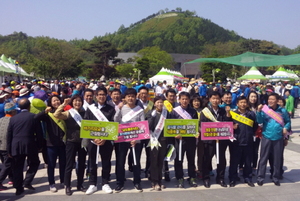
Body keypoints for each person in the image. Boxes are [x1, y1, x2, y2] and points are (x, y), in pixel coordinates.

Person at [7, 98, 44, 195]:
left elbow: (9, 135)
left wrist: (9, 150)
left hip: (16, 145)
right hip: (30, 144)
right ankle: (27, 181)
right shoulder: (34, 117)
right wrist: (40, 145)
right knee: (35, 162)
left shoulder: (13, 118)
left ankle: (18, 188)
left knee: (18, 167)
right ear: (29, 106)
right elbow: (39, 133)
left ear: (18, 107)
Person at [84, 87, 116, 195]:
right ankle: (92, 183)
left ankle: (105, 183)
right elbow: (86, 124)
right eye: (99, 94)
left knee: (106, 162)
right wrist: (94, 138)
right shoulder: (90, 108)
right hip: (93, 141)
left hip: (106, 141)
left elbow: (113, 125)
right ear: (96, 96)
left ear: (106, 95)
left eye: (103, 94)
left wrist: (104, 138)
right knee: (92, 162)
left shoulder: (111, 109)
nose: (101, 96)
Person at [54, 95, 87, 196]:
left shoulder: (85, 113)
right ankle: (67, 185)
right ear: (72, 102)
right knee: (69, 165)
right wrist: (64, 104)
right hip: (71, 141)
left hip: (82, 142)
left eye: (79, 101)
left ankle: (80, 184)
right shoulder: (69, 113)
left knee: (81, 164)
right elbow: (56, 114)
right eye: (76, 101)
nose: (78, 103)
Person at [256, 93, 291, 186]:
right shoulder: (264, 110)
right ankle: (260, 177)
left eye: (272, 99)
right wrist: (259, 112)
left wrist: (286, 128)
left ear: (277, 100)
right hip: (266, 136)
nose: (270, 101)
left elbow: (288, 122)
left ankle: (275, 177)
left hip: (278, 138)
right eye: (269, 99)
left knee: (277, 159)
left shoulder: (283, 111)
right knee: (263, 158)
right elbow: (259, 121)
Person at [114, 88, 144, 193]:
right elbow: (115, 121)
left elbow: (142, 126)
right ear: (125, 98)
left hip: (135, 141)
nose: (130, 98)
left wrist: (137, 139)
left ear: (136, 97)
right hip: (122, 139)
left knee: (136, 162)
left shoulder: (140, 109)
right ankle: (120, 182)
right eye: (128, 96)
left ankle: (137, 181)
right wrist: (118, 109)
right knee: (120, 161)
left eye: (132, 96)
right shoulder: (121, 108)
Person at [200, 91, 232, 188]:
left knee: (221, 160)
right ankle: (206, 178)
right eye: (213, 98)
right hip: (209, 141)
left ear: (220, 99)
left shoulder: (223, 111)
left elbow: (227, 124)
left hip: (221, 140)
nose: (215, 100)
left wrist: (228, 113)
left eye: (217, 98)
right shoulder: (204, 111)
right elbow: (201, 125)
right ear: (209, 99)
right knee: (207, 159)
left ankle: (220, 178)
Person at [34, 95, 66, 193]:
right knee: (51, 165)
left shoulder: (64, 113)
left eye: (57, 100)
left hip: (63, 143)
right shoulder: (48, 114)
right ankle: (51, 183)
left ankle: (63, 181)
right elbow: (36, 118)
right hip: (51, 144)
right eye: (54, 101)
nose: (56, 102)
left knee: (63, 164)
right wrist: (45, 111)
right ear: (50, 103)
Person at [171, 92, 198, 188]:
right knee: (179, 159)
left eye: (186, 99)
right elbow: (171, 126)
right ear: (179, 100)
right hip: (179, 140)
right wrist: (175, 134)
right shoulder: (174, 111)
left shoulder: (193, 111)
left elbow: (196, 125)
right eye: (182, 99)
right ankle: (179, 178)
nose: (184, 101)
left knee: (191, 159)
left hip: (190, 139)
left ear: (189, 100)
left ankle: (192, 177)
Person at [228, 96, 257, 187]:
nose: (243, 104)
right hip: (236, 141)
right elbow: (227, 125)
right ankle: (233, 178)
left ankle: (247, 177)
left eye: (244, 102)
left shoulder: (251, 114)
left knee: (248, 161)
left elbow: (255, 126)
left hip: (248, 141)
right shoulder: (233, 114)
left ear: (247, 103)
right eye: (241, 102)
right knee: (234, 161)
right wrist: (232, 127)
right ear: (237, 104)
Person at [146, 96, 168, 191]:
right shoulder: (150, 113)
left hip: (163, 139)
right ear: (154, 103)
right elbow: (147, 126)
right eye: (158, 102)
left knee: (160, 161)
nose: (160, 104)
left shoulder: (166, 113)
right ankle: (154, 181)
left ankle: (159, 180)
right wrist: (152, 117)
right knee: (154, 161)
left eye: (161, 102)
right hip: (153, 140)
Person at [136, 86, 153, 178]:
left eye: (145, 93)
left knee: (149, 153)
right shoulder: (135, 103)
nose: (143, 95)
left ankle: (148, 171)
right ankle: (137, 171)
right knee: (137, 153)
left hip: (148, 132)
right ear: (139, 94)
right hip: (138, 133)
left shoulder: (151, 104)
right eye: (141, 93)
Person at [0, 102, 17, 190]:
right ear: (13, 112)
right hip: (7, 147)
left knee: (5, 164)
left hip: (0, 146)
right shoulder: (13, 121)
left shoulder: (1, 119)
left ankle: (11, 179)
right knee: (7, 165)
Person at [190, 96, 204, 179]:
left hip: (201, 135)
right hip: (191, 135)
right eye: (194, 101)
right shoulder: (189, 111)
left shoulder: (204, 111)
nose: (196, 103)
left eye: (198, 101)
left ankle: (200, 169)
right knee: (191, 154)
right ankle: (192, 169)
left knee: (201, 154)